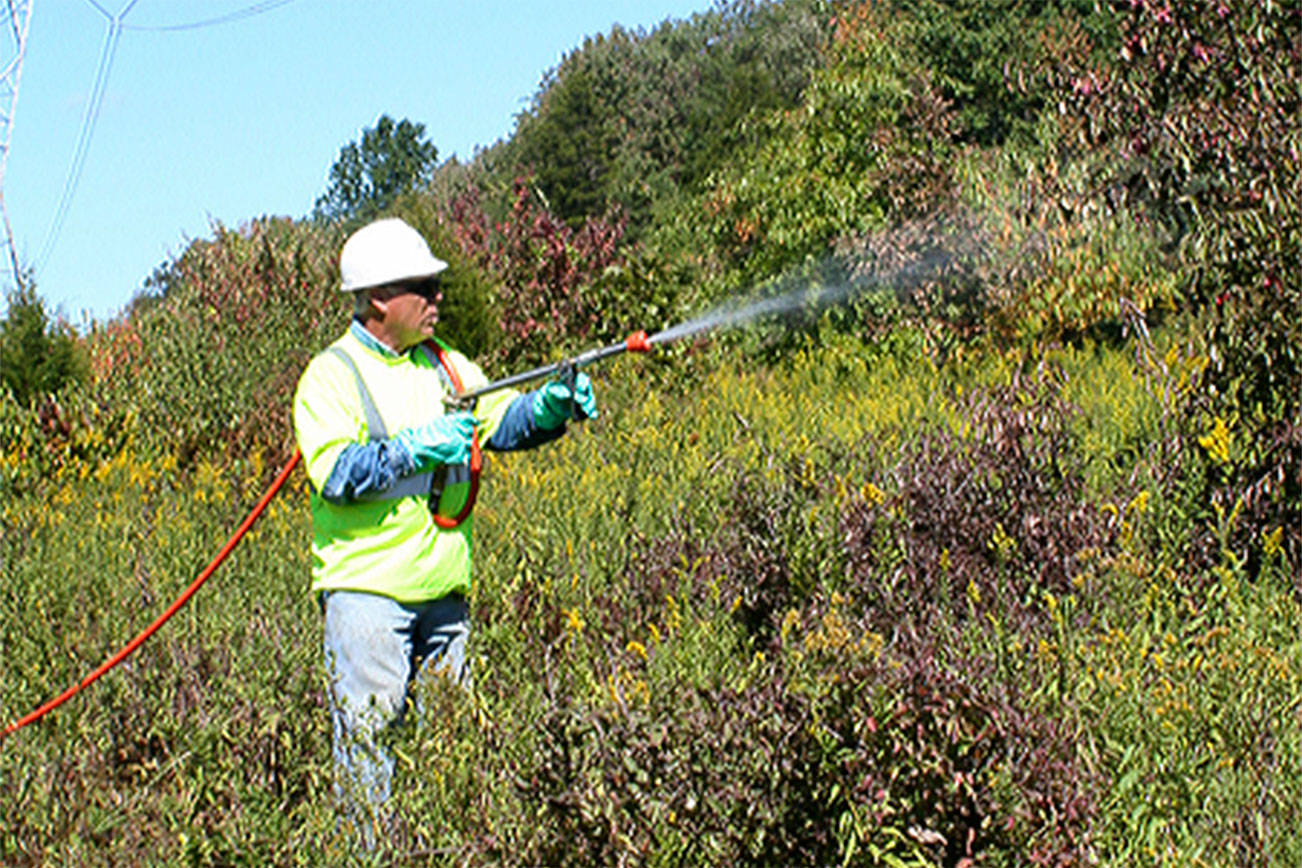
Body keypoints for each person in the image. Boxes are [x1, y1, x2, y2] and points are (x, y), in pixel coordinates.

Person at [292, 217, 596, 836]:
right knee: (370, 757)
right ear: (380, 297)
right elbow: (337, 475)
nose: (438, 299)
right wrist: (417, 449)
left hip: (445, 600)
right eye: (424, 288)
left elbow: (501, 423)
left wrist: (548, 408)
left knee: (450, 757)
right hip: (369, 600)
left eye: (438, 287)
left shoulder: (448, 366)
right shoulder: (332, 376)